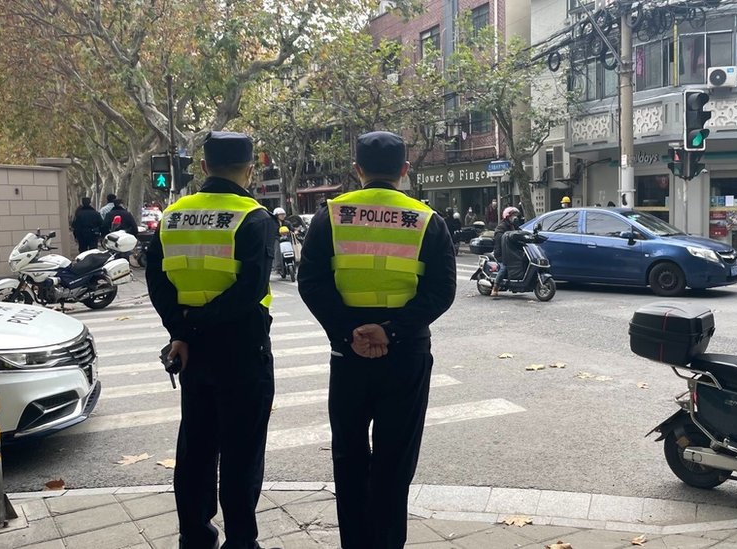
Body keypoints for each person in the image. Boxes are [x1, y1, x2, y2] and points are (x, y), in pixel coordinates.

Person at [297, 131, 456, 547]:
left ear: (357, 170)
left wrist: (348, 331)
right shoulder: (425, 219)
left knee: (349, 458)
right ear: (405, 170)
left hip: (348, 356)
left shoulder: (330, 215)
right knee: (394, 461)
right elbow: (441, 291)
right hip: (406, 358)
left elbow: (311, 282)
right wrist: (391, 331)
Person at [145, 131, 276, 549]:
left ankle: (195, 536)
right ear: (251, 169)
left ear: (203, 167)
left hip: (192, 353)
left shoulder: (172, 216)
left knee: (196, 447)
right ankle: (241, 541)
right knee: (242, 452)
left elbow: (158, 282)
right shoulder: (254, 217)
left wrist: (182, 331)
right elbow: (250, 289)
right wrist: (200, 325)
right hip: (242, 350)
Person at [491, 206, 518, 297]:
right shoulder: (501, 227)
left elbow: (519, 233)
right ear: (507, 216)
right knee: (504, 268)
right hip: (501, 254)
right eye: (512, 215)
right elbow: (501, 242)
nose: (514, 217)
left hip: (510, 253)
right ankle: (495, 287)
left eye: (515, 215)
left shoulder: (513, 226)